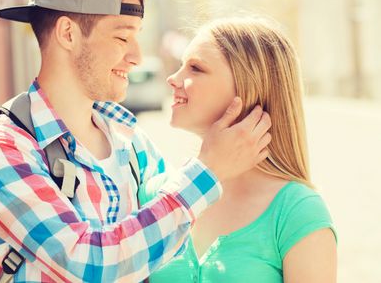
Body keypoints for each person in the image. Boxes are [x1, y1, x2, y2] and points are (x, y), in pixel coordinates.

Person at [0, 0, 271, 282]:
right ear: (68, 34)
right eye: (122, 37)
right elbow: (91, 264)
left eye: (137, 36)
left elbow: (169, 249)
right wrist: (208, 169)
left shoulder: (130, 138)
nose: (137, 56)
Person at [142, 16, 337, 282]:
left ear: (249, 86)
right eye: (180, 66)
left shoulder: (297, 211)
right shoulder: (155, 194)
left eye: (196, 68)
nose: (173, 79)